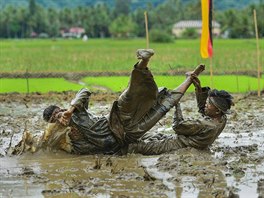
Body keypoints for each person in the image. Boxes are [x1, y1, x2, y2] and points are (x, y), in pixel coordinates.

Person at [12, 49, 205, 155]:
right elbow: (40, 147)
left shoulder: (77, 112)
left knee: (131, 94)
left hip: (117, 120)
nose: (60, 118)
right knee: (164, 107)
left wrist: (70, 109)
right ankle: (190, 78)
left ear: (62, 109)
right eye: (55, 119)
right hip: (127, 136)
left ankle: (143, 61)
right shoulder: (67, 140)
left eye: (58, 113)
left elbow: (85, 91)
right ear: (54, 124)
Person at [127, 77, 234, 155]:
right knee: (149, 136)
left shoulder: (205, 124)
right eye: (207, 101)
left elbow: (178, 126)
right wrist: (199, 90)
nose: (206, 104)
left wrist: (176, 104)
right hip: (187, 141)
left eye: (209, 103)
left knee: (137, 146)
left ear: (217, 111)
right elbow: (205, 111)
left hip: (177, 145)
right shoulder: (222, 119)